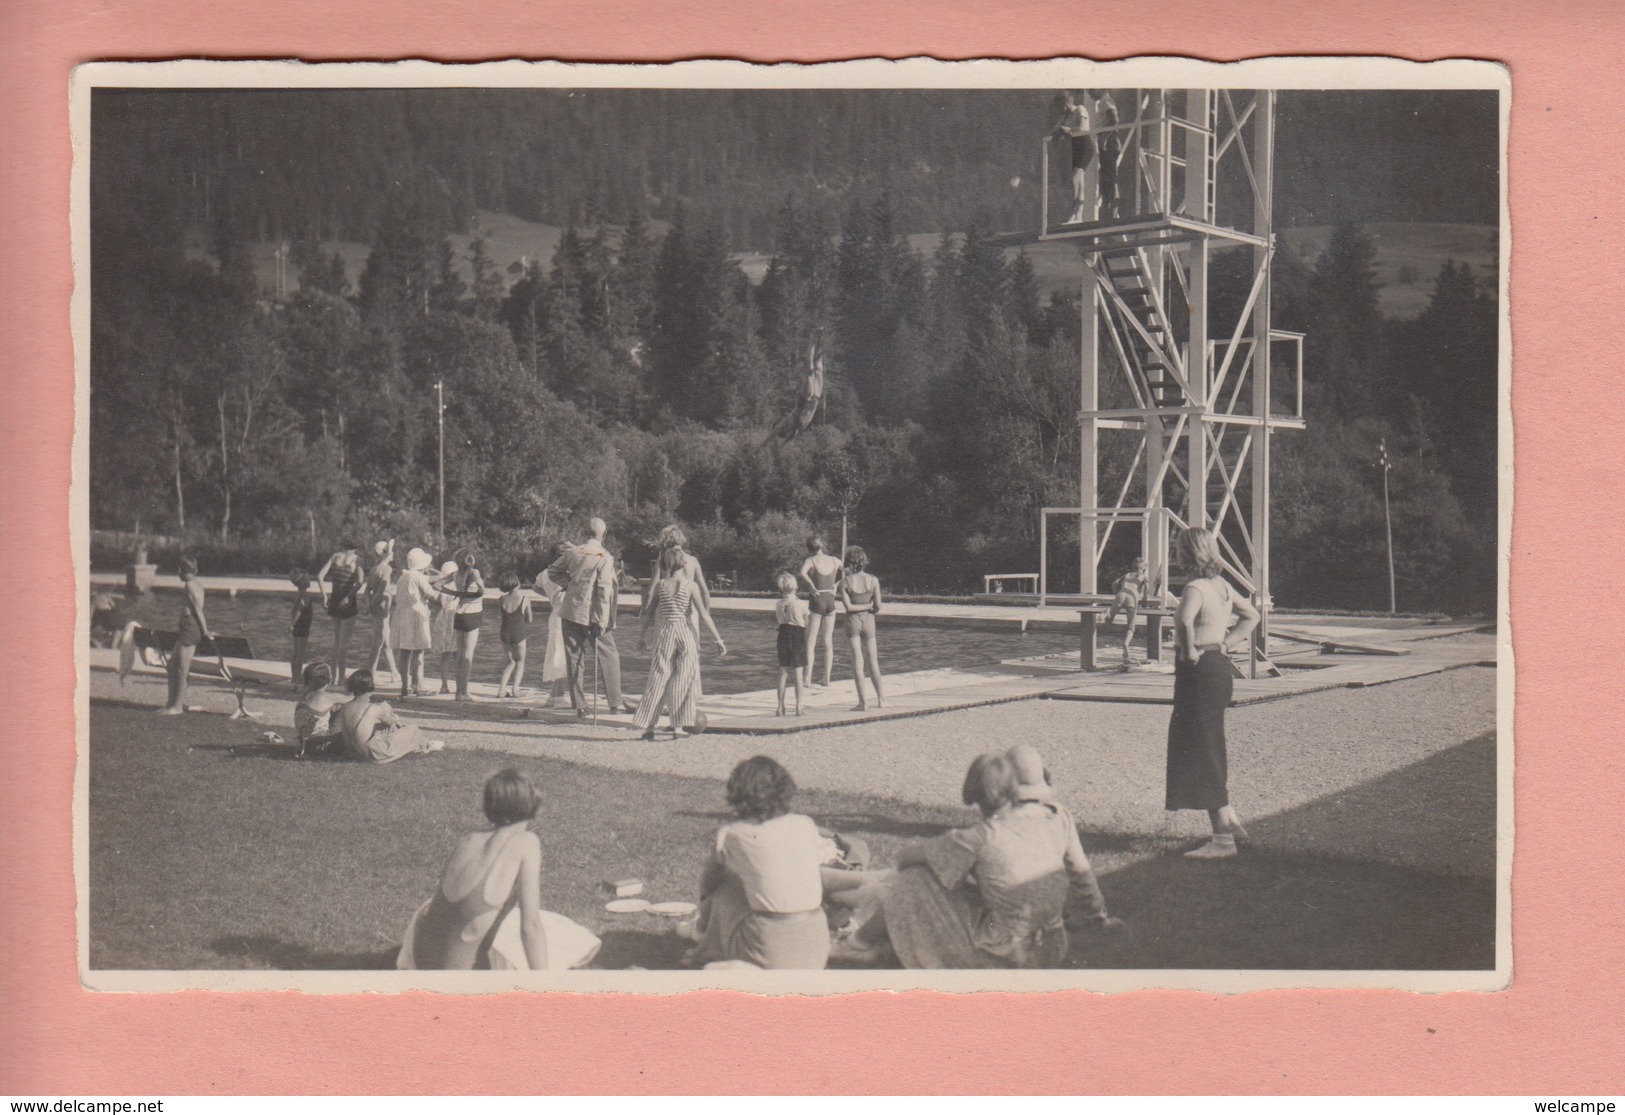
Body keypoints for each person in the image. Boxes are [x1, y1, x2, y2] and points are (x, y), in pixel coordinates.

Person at [838, 752, 1120, 969]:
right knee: (956, 879)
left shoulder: (978, 837)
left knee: (913, 879)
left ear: (975, 795)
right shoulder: (1050, 818)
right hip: (1053, 944)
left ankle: (859, 942)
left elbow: (904, 858)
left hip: (1007, 954)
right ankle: (868, 937)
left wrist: (945, 859)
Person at [397, 769, 600, 971]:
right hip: (460, 981)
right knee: (565, 937)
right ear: (534, 805)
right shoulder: (526, 843)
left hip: (419, 961)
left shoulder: (468, 840)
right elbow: (531, 928)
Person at [1167, 526, 1260, 859]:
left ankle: (1222, 840)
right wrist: (1226, 643)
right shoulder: (1220, 586)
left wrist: (1189, 650)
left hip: (1198, 670)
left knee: (1201, 745)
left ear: (1186, 553)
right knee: (1208, 742)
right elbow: (1252, 615)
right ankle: (1229, 819)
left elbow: (1182, 619)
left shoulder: (1194, 587)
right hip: (1218, 668)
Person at [690, 756, 831, 970]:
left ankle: (703, 938)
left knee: (726, 884)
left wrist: (705, 903)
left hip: (768, 949)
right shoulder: (805, 823)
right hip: (817, 943)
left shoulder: (734, 833)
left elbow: (709, 882)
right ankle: (705, 939)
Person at [633, 545, 726, 741]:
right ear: (683, 563)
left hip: (666, 633)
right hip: (686, 632)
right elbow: (703, 614)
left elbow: (649, 613)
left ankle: (649, 726)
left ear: (666, 565)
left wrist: (641, 636)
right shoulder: (690, 586)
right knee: (684, 678)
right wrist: (718, 638)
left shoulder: (660, 586)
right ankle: (677, 726)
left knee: (658, 678)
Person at [545, 518, 630, 718]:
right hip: (593, 613)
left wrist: (571, 584)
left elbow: (552, 571)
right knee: (609, 655)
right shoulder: (605, 556)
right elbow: (603, 589)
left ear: (585, 532)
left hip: (571, 610)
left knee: (574, 657)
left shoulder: (573, 552)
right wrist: (601, 620)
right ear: (605, 534)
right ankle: (615, 704)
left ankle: (580, 706)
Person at [334, 670, 445, 763]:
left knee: (388, 726)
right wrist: (393, 715)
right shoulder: (373, 708)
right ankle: (425, 744)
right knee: (412, 728)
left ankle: (422, 743)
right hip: (372, 754)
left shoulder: (345, 707)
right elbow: (391, 722)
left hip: (352, 752)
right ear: (370, 688)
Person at [159, 555, 209, 715]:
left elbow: (197, 610)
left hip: (190, 629)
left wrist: (205, 631)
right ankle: (170, 704)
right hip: (187, 628)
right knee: (172, 666)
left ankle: (177, 707)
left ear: (181, 571)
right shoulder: (198, 585)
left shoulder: (189, 586)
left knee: (181, 668)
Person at [839, 546, 885, 712]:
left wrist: (860, 606)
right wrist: (869, 606)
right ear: (864, 561)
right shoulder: (873, 580)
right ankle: (881, 699)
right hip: (869, 620)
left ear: (849, 562)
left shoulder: (845, 582)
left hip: (852, 622)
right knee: (873, 661)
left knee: (858, 662)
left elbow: (848, 607)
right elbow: (878, 606)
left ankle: (863, 703)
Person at [391, 547, 441, 698]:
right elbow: (433, 595)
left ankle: (406, 686)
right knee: (418, 651)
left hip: (402, 616)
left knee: (405, 652)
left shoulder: (403, 576)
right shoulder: (418, 577)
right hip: (416, 615)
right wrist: (441, 588)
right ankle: (418, 685)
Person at [314, 542, 363, 685]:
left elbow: (319, 576)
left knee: (336, 642)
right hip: (348, 602)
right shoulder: (357, 559)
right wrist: (349, 595)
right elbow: (360, 582)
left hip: (334, 601)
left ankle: (333, 677)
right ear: (356, 546)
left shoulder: (335, 557)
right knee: (344, 644)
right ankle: (341, 678)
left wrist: (324, 596)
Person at [798, 535, 843, 690]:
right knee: (827, 642)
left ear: (809, 548)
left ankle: (807, 679)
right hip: (830, 600)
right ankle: (827, 678)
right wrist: (837, 585)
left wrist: (810, 585)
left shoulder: (810, 561)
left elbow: (802, 573)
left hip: (817, 600)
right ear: (822, 546)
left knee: (810, 642)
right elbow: (849, 572)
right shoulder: (835, 560)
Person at [533, 544, 573, 708]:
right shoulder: (567, 575)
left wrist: (550, 596)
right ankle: (559, 697)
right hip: (565, 615)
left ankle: (553, 695)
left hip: (555, 613)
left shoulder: (544, 574)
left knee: (556, 654)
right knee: (563, 657)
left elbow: (536, 588)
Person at [1052, 90, 1096, 225]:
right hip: (1075, 148)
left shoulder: (1079, 109)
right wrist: (1061, 128)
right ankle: (1078, 216)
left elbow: (1083, 129)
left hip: (1085, 146)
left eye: (1061, 106)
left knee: (1075, 180)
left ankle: (1074, 214)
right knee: (1079, 182)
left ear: (1066, 103)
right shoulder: (1066, 116)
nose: (1060, 110)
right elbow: (1055, 130)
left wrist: (1067, 129)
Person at [448, 548, 486, 702]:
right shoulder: (474, 573)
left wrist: (456, 594)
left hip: (459, 614)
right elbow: (482, 591)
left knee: (459, 655)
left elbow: (437, 585)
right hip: (473, 614)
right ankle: (464, 692)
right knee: (468, 655)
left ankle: (458, 691)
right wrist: (475, 591)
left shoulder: (456, 575)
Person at [293, 662, 348, 759]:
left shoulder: (305, 695)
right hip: (321, 745)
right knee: (346, 708)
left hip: (305, 745)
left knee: (335, 707)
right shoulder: (327, 697)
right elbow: (356, 698)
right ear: (328, 680)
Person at [773, 572, 808, 717]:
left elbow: (779, 621)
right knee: (798, 673)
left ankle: (780, 707)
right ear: (795, 587)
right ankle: (799, 707)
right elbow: (806, 621)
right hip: (797, 635)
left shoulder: (779, 604)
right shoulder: (801, 603)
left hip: (783, 634)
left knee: (783, 671)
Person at [1105, 556, 1151, 662]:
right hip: (1132, 598)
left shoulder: (1126, 575)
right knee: (1131, 627)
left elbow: (1114, 584)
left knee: (1109, 620)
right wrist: (1144, 599)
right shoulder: (1144, 576)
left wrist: (1117, 595)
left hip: (1121, 595)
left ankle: (1107, 613)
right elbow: (1147, 588)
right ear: (1144, 568)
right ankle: (1126, 643)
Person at [364, 540, 397, 680]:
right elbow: (381, 591)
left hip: (378, 608)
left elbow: (366, 591)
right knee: (378, 642)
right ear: (386, 554)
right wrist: (373, 604)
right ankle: (370, 673)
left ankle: (395, 672)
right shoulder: (387, 569)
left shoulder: (374, 568)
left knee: (386, 642)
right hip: (382, 608)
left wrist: (369, 605)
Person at [496, 572, 532, 698]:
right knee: (520, 662)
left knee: (510, 662)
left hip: (505, 633)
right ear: (516, 583)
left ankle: (501, 690)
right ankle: (515, 690)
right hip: (519, 633)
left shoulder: (501, 599)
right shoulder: (524, 598)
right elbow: (530, 619)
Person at [430, 559, 460, 695]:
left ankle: (444, 685)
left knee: (445, 655)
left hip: (443, 619)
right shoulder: (459, 586)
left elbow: (436, 599)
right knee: (458, 655)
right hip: (455, 618)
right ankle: (460, 685)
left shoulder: (442, 586)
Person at [287, 568, 315, 685]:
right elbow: (299, 610)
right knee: (300, 653)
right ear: (304, 582)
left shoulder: (299, 594)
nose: (310, 581)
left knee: (295, 652)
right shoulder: (305, 596)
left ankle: (294, 676)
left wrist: (292, 623)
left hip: (298, 625)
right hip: (302, 625)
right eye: (308, 579)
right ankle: (297, 677)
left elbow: (294, 610)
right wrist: (293, 623)